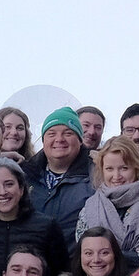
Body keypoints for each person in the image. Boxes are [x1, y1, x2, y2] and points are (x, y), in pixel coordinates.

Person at [75, 136, 139, 269]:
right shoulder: (90, 208)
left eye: (124, 168)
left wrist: (116, 257)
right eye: (109, 169)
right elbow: (83, 250)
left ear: (136, 167)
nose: (116, 176)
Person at [25, 107, 95, 259]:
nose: (59, 139)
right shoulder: (24, 175)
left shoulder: (96, 175)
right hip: (30, 269)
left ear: (80, 140)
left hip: (74, 271)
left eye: (68, 133)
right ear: (43, 140)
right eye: (51, 133)